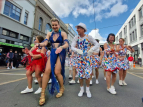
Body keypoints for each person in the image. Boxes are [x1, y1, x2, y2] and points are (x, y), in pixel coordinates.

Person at [35, 18, 69, 106]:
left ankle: (61, 88)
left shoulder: (63, 33)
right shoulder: (49, 34)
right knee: (47, 71)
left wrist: (61, 47)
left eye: (56, 25)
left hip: (60, 53)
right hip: (53, 52)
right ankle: (42, 94)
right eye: (53, 25)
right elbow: (45, 43)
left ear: (59, 25)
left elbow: (66, 44)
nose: (54, 26)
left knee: (57, 72)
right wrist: (39, 44)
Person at [71, 23, 99, 98]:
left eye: (79, 28)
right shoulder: (76, 37)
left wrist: (91, 50)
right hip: (79, 59)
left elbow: (97, 44)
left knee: (87, 75)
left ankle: (87, 89)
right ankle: (81, 89)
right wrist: (77, 50)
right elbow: (72, 47)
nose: (77, 29)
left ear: (83, 29)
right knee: (80, 75)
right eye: (77, 28)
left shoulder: (89, 37)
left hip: (88, 59)